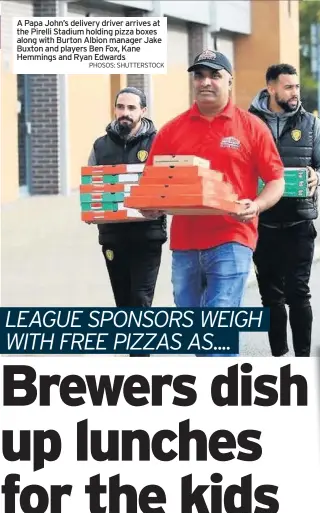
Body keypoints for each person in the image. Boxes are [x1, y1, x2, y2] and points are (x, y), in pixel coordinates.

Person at [142, 50, 285, 356]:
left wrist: (257, 205)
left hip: (232, 236)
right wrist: (150, 206)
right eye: (199, 75)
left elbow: (276, 180)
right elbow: (152, 182)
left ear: (229, 81)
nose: (206, 82)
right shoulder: (171, 130)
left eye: (214, 75)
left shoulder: (251, 127)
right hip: (185, 242)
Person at [249, 63, 320, 357]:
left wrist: (316, 177)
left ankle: (303, 361)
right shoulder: (249, 123)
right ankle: (279, 360)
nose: (295, 93)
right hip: (262, 225)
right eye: (288, 87)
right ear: (271, 88)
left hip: (299, 225)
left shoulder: (312, 125)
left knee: (298, 293)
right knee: (270, 298)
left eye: (297, 87)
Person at [87, 87, 167, 356]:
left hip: (148, 236)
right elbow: (92, 189)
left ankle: (140, 366)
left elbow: (169, 185)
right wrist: (91, 210)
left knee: (141, 301)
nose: (125, 113)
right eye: (121, 107)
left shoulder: (158, 143)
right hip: (112, 237)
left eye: (131, 108)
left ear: (143, 112)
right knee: (123, 303)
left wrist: (163, 205)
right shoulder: (100, 145)